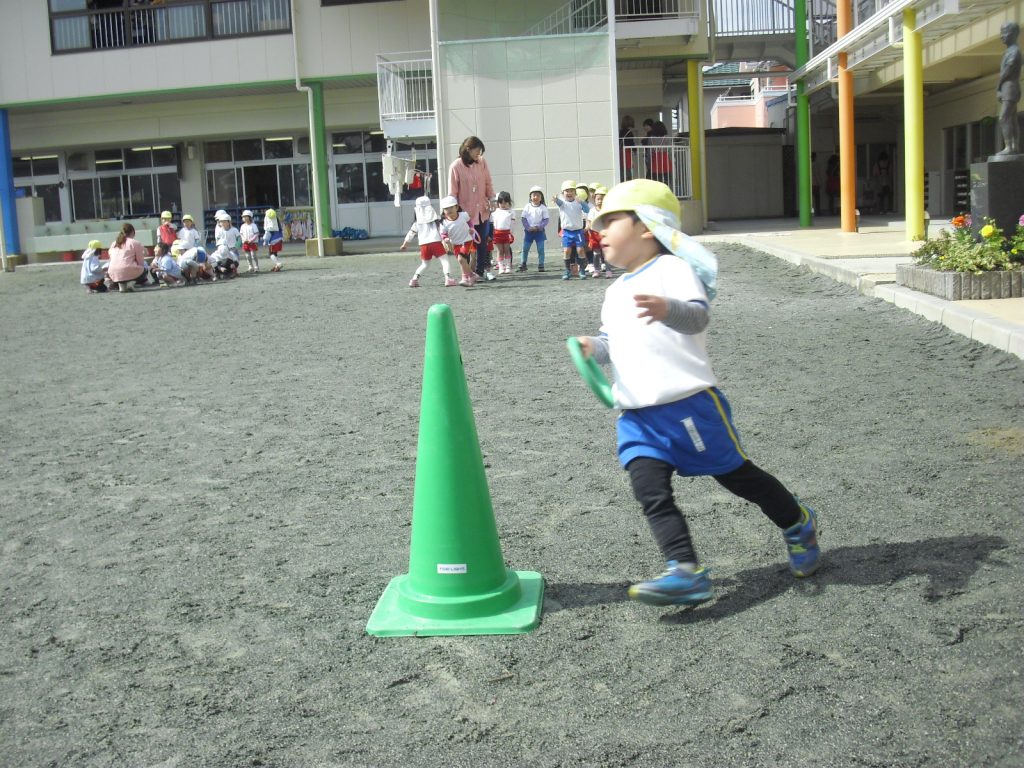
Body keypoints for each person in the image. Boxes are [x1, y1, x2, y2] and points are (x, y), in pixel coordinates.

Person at [573, 179, 821, 607]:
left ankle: (797, 522)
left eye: (611, 220)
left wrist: (667, 308)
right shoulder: (614, 292)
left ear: (647, 227)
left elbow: (697, 319)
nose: (601, 230)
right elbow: (614, 341)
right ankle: (684, 570)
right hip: (637, 415)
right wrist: (594, 349)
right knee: (650, 491)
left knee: (738, 477)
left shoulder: (673, 271)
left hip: (688, 405)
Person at [447, 136, 495, 282]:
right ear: (468, 149)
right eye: (477, 151)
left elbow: (488, 182)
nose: (478, 154)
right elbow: (452, 192)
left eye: (480, 152)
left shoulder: (482, 163)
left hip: (482, 211)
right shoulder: (455, 166)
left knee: (481, 243)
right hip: (465, 213)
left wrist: (492, 198)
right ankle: (466, 274)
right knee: (466, 244)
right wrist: (452, 212)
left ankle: (479, 273)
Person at [401, 196, 457, 287]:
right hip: (435, 243)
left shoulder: (417, 223)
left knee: (425, 264)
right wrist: (447, 241)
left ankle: (414, 279)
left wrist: (405, 244)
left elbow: (411, 233)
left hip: (423, 245)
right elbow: (442, 230)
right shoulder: (436, 220)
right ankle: (448, 278)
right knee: (444, 260)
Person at [438, 195, 478, 286]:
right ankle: (471, 275)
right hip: (455, 244)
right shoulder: (443, 222)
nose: (449, 210)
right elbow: (443, 234)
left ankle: (465, 277)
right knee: (461, 261)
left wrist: (471, 228)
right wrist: (446, 239)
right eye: (446, 209)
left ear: (456, 207)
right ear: (443, 211)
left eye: (451, 207)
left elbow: (470, 222)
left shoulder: (463, 215)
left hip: (467, 240)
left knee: (461, 259)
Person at [552, 179, 587, 280]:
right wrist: (555, 199)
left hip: (578, 231)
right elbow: (558, 202)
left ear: (575, 192)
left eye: (571, 190)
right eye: (566, 191)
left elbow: (587, 210)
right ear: (563, 193)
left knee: (580, 250)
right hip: (567, 232)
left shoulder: (578, 203)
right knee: (567, 250)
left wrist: (582, 202)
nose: (569, 193)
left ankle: (582, 270)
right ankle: (567, 270)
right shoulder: (562, 203)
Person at [996, 21, 1021, 156]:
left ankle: (1009, 147)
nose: (1002, 36)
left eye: (1004, 32)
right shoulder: (1010, 51)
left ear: (1014, 33)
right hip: (1009, 87)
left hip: (1010, 87)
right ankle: (1013, 146)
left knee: (1004, 117)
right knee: (1011, 118)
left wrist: (998, 85)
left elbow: (1009, 70)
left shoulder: (1014, 51)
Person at [107, 223, 147, 293]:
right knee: (145, 268)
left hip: (112, 272)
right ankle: (131, 282)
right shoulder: (135, 243)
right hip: (129, 270)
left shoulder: (114, 243)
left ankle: (122, 286)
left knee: (120, 269)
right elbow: (140, 262)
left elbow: (111, 257)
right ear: (132, 232)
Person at [518, 185, 549, 272]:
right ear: (530, 197)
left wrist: (538, 227)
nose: (535, 197)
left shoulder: (543, 208)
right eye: (533, 195)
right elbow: (523, 218)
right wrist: (528, 228)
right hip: (528, 232)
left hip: (539, 232)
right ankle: (523, 264)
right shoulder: (527, 206)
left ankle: (541, 264)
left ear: (541, 197)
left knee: (540, 249)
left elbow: (546, 220)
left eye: (538, 195)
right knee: (525, 248)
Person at [585, 185, 612, 278]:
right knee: (596, 253)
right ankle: (596, 270)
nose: (600, 201)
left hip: (605, 234)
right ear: (594, 199)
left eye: (602, 199)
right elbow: (589, 222)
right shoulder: (592, 211)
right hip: (594, 234)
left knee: (606, 253)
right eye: (598, 199)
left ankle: (608, 270)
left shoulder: (608, 210)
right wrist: (587, 229)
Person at [491, 191, 516, 275]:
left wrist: (511, 233)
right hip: (497, 233)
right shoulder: (495, 212)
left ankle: (508, 266)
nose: (503, 204)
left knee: (506, 250)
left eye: (505, 202)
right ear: (498, 203)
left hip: (507, 233)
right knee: (499, 251)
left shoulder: (511, 212)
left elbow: (512, 224)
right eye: (501, 203)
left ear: (509, 202)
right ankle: (501, 267)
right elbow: (492, 224)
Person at [211, 212, 240, 280]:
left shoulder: (234, 230)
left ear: (229, 222)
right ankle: (219, 273)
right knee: (221, 261)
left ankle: (234, 271)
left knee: (234, 261)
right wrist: (219, 247)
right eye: (221, 222)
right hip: (223, 249)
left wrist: (236, 246)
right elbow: (217, 240)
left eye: (224, 221)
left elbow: (239, 239)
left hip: (233, 248)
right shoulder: (220, 231)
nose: (222, 223)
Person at [647, 120, 673, 188]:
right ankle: (669, 195)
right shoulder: (667, 138)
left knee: (657, 182)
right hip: (666, 161)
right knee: (668, 180)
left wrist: (649, 164)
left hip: (655, 162)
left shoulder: (651, 139)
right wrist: (672, 161)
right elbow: (669, 151)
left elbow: (649, 153)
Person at [239, 209, 260, 273]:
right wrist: (243, 239)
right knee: (247, 256)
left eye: (246, 216)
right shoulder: (242, 226)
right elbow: (241, 234)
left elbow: (256, 233)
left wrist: (251, 240)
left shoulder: (253, 225)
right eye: (243, 217)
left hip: (253, 243)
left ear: (250, 217)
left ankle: (256, 266)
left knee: (253, 255)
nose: (244, 218)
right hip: (245, 243)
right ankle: (250, 266)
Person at [620, 115, 638, 181]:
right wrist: (635, 150)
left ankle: (622, 181)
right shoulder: (629, 132)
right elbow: (631, 143)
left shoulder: (620, 131)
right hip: (626, 152)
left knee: (622, 169)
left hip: (620, 151)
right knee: (628, 169)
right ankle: (628, 181)